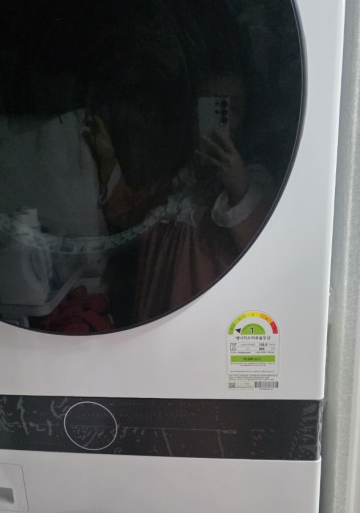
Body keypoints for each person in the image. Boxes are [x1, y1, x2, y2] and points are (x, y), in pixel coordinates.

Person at [82, 71, 275, 324]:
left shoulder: (254, 181)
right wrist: (107, 157)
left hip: (202, 329)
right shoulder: (180, 179)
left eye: (232, 108)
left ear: (248, 117)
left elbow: (267, 249)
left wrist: (237, 181)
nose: (220, 117)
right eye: (211, 106)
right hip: (152, 323)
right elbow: (129, 214)